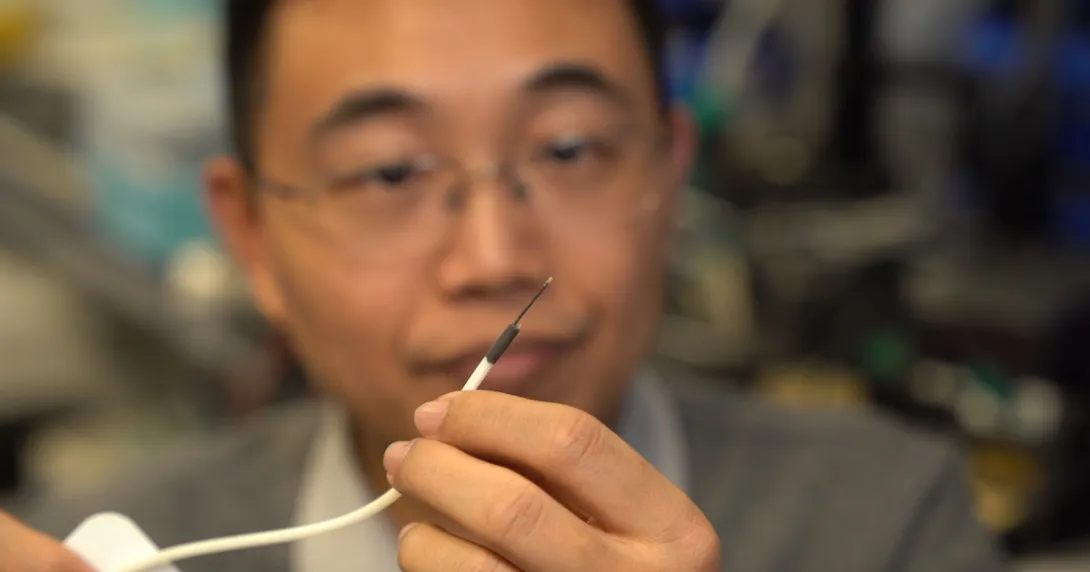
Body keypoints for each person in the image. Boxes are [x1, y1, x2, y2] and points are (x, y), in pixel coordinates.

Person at [1, 1, 1007, 570]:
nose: (491, 255)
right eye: (390, 171)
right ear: (253, 235)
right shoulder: (97, 542)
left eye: (567, 147)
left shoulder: (886, 519)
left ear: (664, 177)